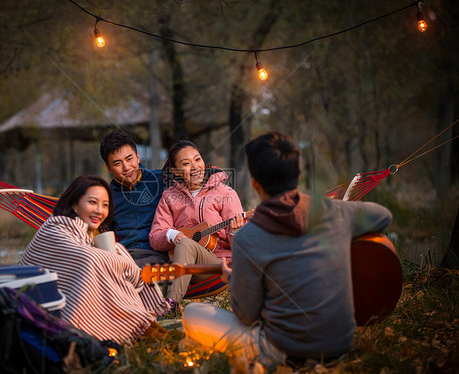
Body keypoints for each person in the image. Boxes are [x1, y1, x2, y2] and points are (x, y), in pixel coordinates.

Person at [181, 131, 393, 372]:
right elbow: (383, 216)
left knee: (192, 313)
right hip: (340, 343)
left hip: (282, 351)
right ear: (298, 175)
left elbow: (246, 316)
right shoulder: (336, 211)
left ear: (255, 184)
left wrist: (236, 280)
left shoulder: (247, 239)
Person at [20, 175, 169, 344]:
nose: (100, 210)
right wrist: (122, 260)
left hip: (58, 304)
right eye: (92, 202)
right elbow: (88, 259)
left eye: (105, 205)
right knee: (99, 265)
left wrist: (114, 257)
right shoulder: (55, 228)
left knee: (108, 265)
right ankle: (142, 330)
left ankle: (147, 329)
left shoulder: (86, 237)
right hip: (38, 311)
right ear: (75, 204)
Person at [149, 140, 246, 305]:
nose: (194, 167)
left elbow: (241, 247)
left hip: (217, 268)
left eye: (197, 159)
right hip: (183, 267)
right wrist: (172, 235)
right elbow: (155, 237)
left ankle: (170, 304)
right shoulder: (169, 197)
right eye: (186, 163)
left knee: (186, 244)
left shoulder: (225, 193)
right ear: (176, 171)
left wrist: (235, 232)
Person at [100, 131, 169, 267]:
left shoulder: (161, 180)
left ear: (138, 157)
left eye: (129, 159)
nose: (126, 167)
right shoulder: (106, 197)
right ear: (109, 168)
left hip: (161, 253)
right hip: (126, 256)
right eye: (117, 163)